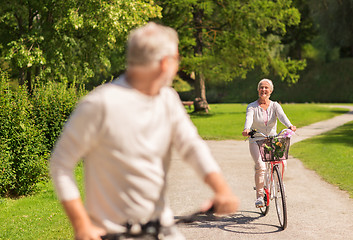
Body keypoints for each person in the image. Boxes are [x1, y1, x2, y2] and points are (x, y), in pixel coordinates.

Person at [50, 22, 239, 240]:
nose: (178, 65)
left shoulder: (168, 99)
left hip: (161, 229)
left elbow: (191, 146)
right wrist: (81, 225)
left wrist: (221, 188)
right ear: (164, 63)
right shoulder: (100, 104)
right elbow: (61, 164)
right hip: (112, 233)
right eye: (177, 59)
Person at [241, 79, 296, 208]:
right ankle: (260, 196)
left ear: (270, 91)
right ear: (258, 90)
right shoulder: (252, 106)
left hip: (272, 140)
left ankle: (277, 185)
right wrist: (246, 129)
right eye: (261, 87)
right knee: (261, 166)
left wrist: (289, 125)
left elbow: (282, 116)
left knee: (282, 162)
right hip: (256, 140)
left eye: (266, 88)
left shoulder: (275, 105)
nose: (263, 90)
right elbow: (249, 118)